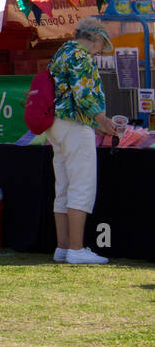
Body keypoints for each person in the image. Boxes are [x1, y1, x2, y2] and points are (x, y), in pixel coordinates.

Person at [47, 17, 120, 264]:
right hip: (75, 126)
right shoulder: (81, 55)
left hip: (55, 124)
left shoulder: (62, 51)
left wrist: (93, 124)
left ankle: (63, 247)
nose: (99, 51)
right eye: (101, 45)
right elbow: (83, 93)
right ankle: (77, 249)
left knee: (63, 187)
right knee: (82, 186)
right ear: (96, 38)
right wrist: (102, 120)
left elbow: (66, 92)